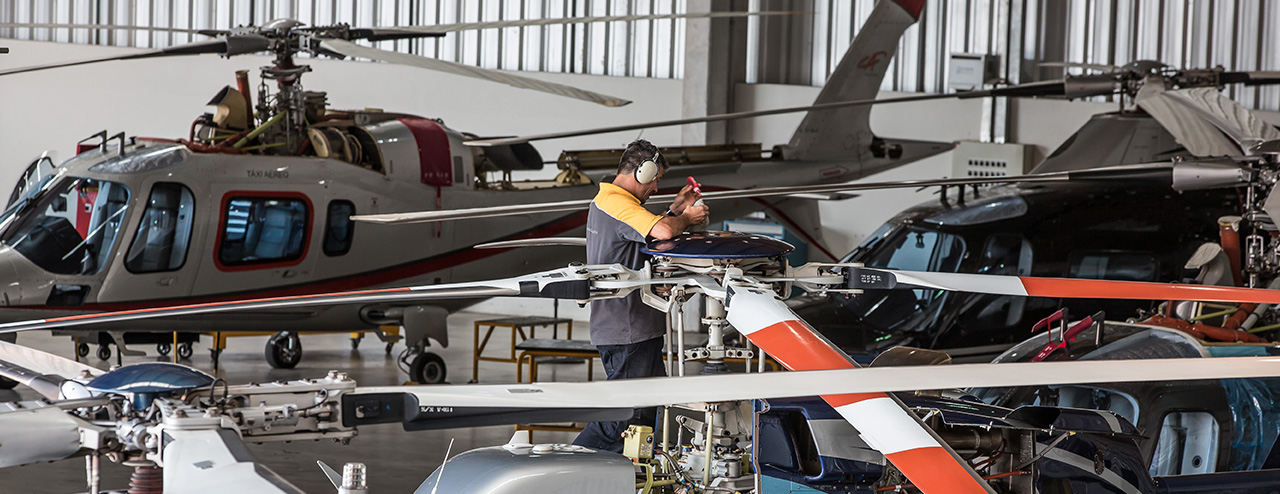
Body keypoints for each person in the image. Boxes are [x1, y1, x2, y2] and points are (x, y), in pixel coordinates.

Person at [572, 139, 709, 452]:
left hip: (635, 328)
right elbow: (663, 232)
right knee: (619, 419)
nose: (656, 189)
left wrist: (675, 209)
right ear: (643, 172)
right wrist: (687, 218)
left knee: (646, 417)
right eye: (656, 180)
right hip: (627, 330)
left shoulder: (612, 203)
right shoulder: (616, 204)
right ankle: (564, 469)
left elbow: (641, 231)